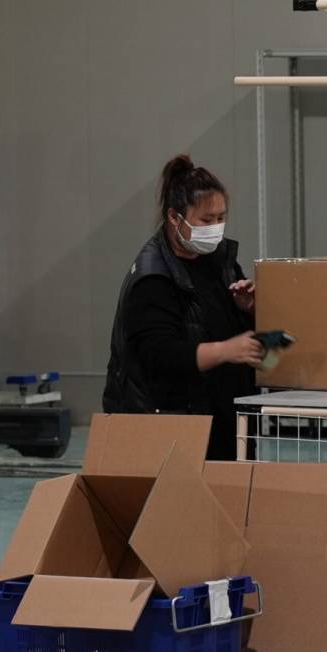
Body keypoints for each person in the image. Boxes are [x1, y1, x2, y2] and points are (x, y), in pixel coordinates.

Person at [103, 155, 264, 460]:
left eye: (221, 218)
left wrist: (249, 308)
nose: (215, 228)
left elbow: (230, 325)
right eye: (206, 220)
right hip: (173, 423)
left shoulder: (220, 261)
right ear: (175, 218)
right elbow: (160, 355)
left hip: (225, 418)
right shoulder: (153, 277)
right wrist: (226, 350)